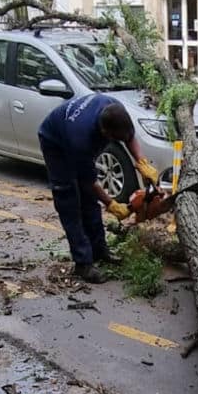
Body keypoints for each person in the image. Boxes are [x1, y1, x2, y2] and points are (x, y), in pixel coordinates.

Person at [38, 93, 157, 284]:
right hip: (56, 144)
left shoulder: (116, 108)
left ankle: (99, 250)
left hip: (78, 134)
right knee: (70, 202)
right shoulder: (80, 138)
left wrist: (141, 162)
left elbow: (130, 136)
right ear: (105, 133)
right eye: (114, 140)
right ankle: (83, 263)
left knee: (90, 202)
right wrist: (112, 204)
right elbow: (88, 181)